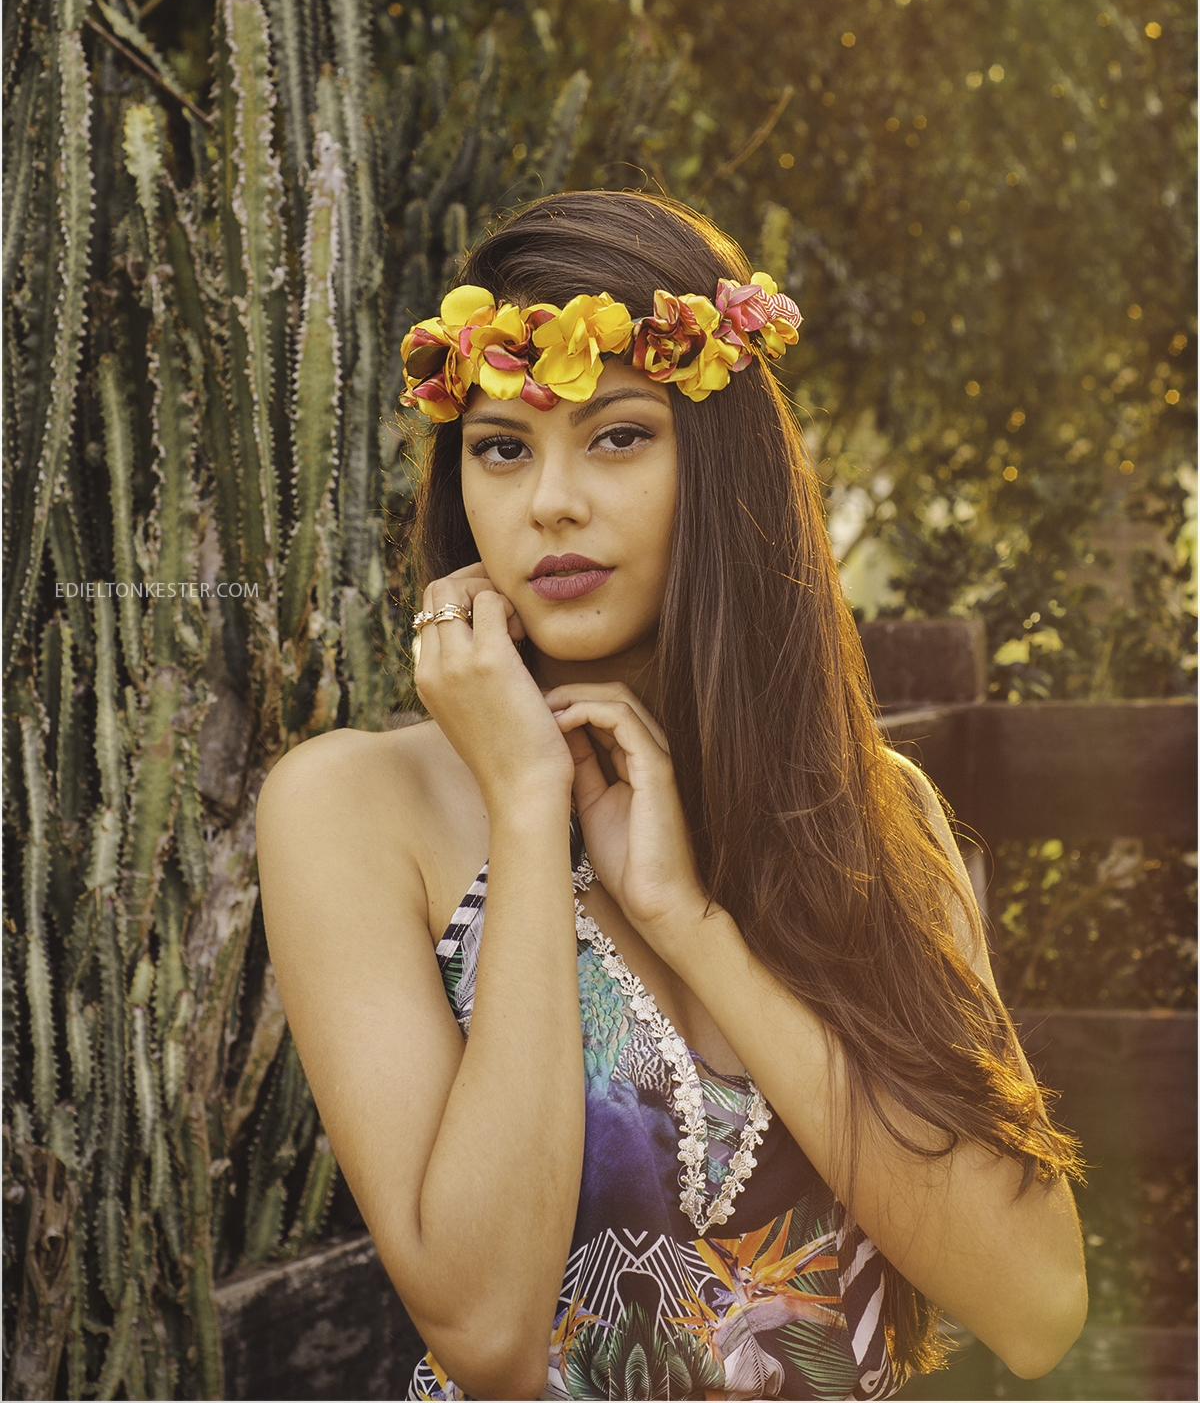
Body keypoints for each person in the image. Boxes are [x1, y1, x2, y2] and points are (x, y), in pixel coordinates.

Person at [257, 191, 1087, 1402]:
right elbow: (485, 1331)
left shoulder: (873, 816)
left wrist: (697, 926)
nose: (551, 502)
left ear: (724, 463)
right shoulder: (353, 810)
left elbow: (1038, 1307)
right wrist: (530, 809)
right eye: (503, 446)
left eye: (618, 436)